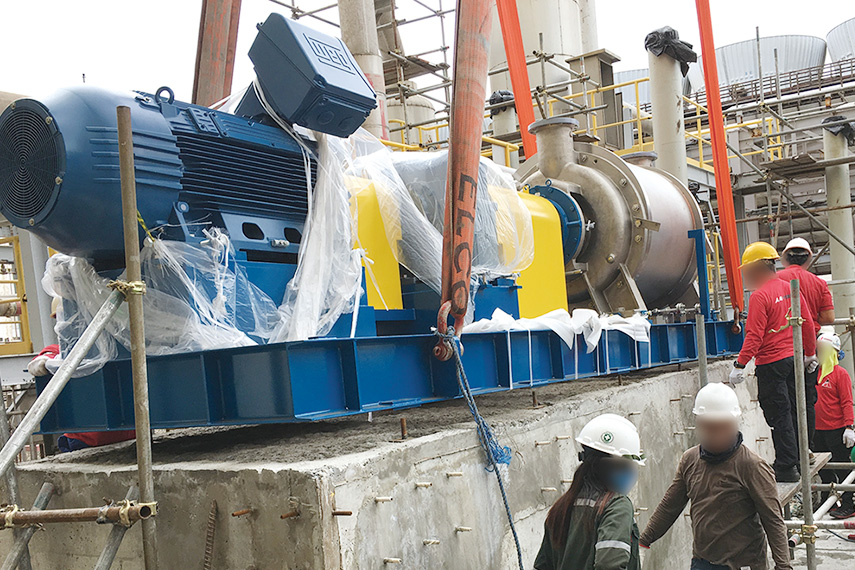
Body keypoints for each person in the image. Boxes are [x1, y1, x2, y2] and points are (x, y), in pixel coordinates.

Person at [640, 383, 791, 570]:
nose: (716, 434)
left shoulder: (751, 466)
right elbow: (670, 505)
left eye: (722, 427)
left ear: (735, 424)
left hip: (743, 563)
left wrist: (783, 566)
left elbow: (773, 519)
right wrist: (643, 540)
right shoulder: (690, 460)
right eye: (710, 427)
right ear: (698, 425)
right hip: (703, 561)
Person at [729, 241, 816, 482]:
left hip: (772, 363)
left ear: (757, 269)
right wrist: (809, 353)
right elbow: (806, 322)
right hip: (794, 359)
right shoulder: (790, 289)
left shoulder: (760, 296)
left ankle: (787, 466)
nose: (746, 278)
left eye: (746, 272)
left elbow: (755, 336)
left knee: (780, 414)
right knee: (797, 409)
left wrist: (740, 364)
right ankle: (799, 456)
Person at [534, 414, 644, 570]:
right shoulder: (617, 507)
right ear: (614, 466)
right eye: (628, 465)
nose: (631, 472)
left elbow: (542, 566)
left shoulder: (562, 506)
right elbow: (609, 565)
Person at [27, 297, 135, 452]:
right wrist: (46, 360)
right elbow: (45, 358)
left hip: (127, 438)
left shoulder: (122, 349)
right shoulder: (61, 353)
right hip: (84, 442)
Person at [778, 237, 834, 447]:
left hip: (782, 347)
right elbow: (828, 318)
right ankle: (806, 447)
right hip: (809, 349)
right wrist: (811, 317)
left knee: (784, 401)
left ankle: (790, 452)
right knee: (807, 399)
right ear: (808, 259)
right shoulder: (818, 283)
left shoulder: (776, 279)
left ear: (785, 258)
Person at [813, 329, 855, 519]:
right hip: (817, 430)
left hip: (836, 429)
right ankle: (827, 499)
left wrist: (849, 427)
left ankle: (848, 503)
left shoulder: (840, 374)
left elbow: (847, 401)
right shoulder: (814, 373)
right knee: (823, 468)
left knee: (842, 467)